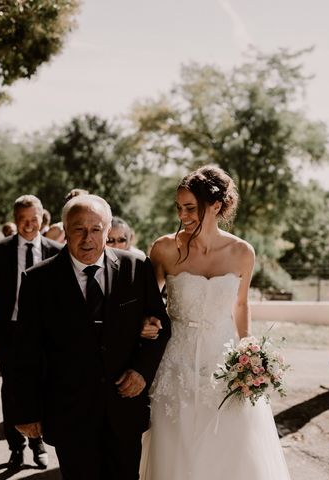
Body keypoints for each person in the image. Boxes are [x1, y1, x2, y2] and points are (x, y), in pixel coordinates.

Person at [139, 165, 291, 479]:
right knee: (175, 445)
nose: (183, 215)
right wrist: (147, 322)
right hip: (174, 363)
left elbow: (241, 304)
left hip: (224, 365)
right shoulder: (164, 248)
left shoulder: (241, 252)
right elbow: (147, 304)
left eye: (191, 208)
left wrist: (249, 353)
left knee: (228, 448)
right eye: (180, 208)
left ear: (216, 206)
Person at [12, 194, 171, 480]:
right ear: (65, 230)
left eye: (96, 229)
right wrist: (25, 410)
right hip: (69, 411)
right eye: (78, 229)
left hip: (124, 409)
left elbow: (162, 329)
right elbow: (25, 351)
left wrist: (142, 371)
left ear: (108, 230)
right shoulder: (38, 280)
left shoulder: (136, 268)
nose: (88, 238)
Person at [0, 195, 62, 469]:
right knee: (12, 390)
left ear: (43, 218)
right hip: (9, 332)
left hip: (43, 334)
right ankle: (15, 447)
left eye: (34, 220)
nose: (29, 226)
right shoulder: (0, 249)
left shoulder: (56, 250)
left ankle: (37, 442)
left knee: (41, 386)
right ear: (16, 220)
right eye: (23, 220)